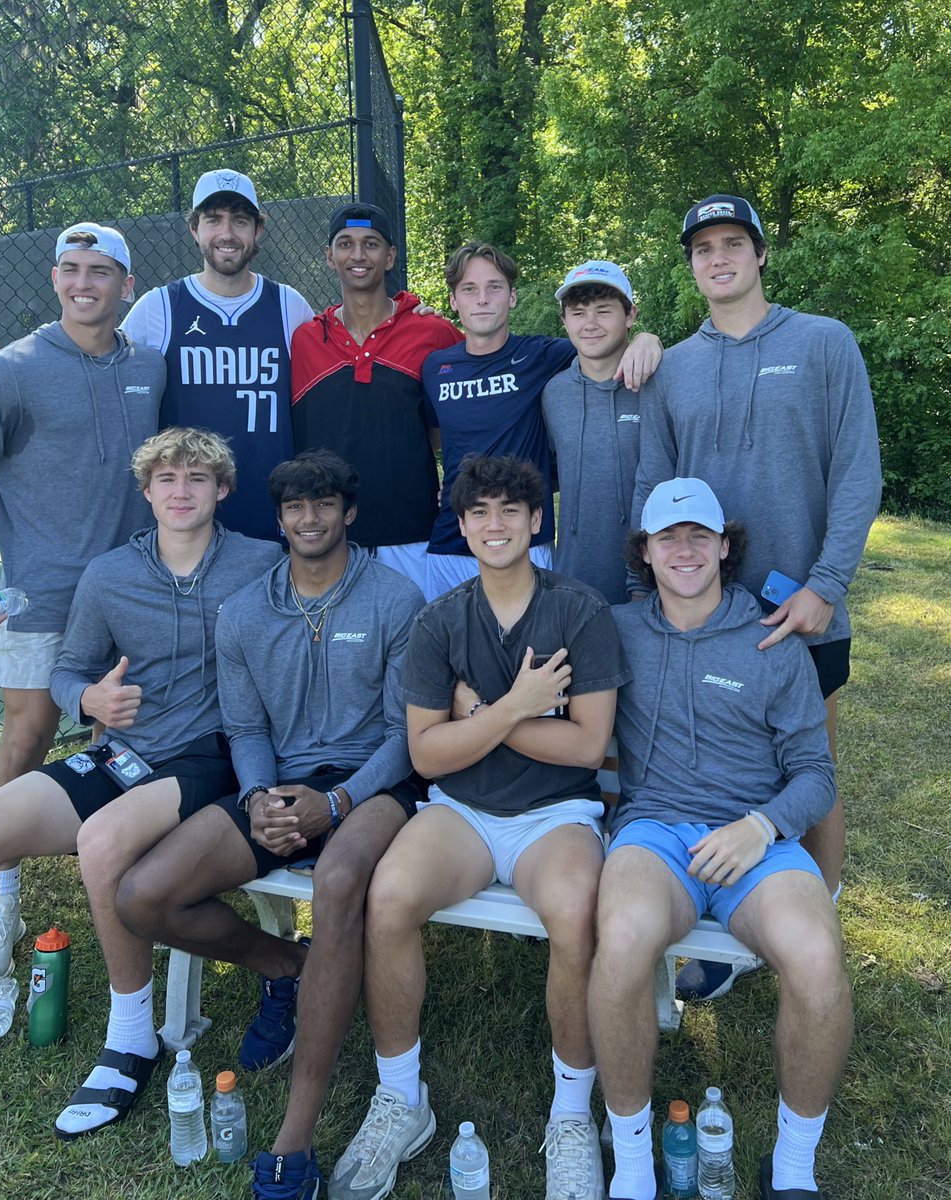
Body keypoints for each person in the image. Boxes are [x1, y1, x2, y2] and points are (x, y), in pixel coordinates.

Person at [0, 429, 280, 1144]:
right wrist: (88, 702)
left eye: (197, 478)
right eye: (166, 478)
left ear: (222, 490)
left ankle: (132, 1036)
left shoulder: (262, 566)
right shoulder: (109, 573)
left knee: (102, 842)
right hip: (124, 752)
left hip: (210, 757)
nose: (180, 490)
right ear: (144, 492)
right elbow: (69, 668)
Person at [113, 449, 426, 1200]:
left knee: (341, 878)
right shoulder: (246, 611)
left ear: (348, 513)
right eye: (294, 507)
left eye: (324, 504)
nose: (309, 519)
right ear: (278, 517)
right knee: (144, 896)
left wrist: (341, 801)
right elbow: (244, 727)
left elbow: (405, 735)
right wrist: (258, 798)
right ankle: (288, 969)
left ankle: (296, 1136)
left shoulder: (395, 599)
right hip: (279, 788)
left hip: (375, 789)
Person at [331, 454, 629, 1200]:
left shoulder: (579, 610)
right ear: (460, 527)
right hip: (460, 810)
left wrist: (481, 717)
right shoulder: (441, 620)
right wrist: (518, 706)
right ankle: (402, 1098)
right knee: (389, 898)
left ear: (535, 520)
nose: (493, 525)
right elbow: (427, 750)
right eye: (478, 513)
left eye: (508, 511)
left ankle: (568, 1113)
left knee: (574, 913)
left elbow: (587, 745)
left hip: (555, 814)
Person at [633, 193, 882, 1000]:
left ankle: (813, 918)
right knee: (702, 767)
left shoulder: (822, 342)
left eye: (732, 242)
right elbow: (653, 483)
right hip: (693, 611)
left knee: (811, 770)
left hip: (798, 611)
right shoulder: (672, 363)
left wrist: (825, 585)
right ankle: (715, 933)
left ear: (761, 252)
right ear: (690, 265)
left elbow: (856, 473)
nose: (717, 258)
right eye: (701, 248)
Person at [589, 478, 851, 1200]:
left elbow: (814, 776)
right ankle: (635, 1161)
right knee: (623, 938)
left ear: (724, 545)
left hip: (757, 840)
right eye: (666, 537)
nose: (683, 549)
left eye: (698, 535)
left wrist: (760, 825)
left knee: (815, 953)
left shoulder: (770, 640)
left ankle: (793, 1168)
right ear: (642, 552)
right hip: (654, 832)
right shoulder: (614, 629)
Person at [0, 222, 165, 982]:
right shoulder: (14, 370)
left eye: (99, 270)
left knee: (124, 743)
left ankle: (132, 889)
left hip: (132, 593)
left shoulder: (152, 367)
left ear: (125, 285)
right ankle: (0, 895)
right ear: (55, 278)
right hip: (40, 598)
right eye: (70, 269)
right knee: (29, 733)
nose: (83, 283)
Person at [421, 241, 662, 599]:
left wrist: (647, 339)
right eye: (469, 290)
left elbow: (603, 343)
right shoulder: (435, 368)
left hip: (525, 541)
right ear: (454, 301)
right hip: (449, 543)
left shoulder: (543, 356)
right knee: (453, 650)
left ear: (513, 297)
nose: (482, 299)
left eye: (494, 288)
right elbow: (436, 438)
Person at [121, 169, 314, 540]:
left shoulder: (288, 305)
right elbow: (96, 361)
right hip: (187, 520)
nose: (227, 234)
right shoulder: (159, 307)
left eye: (240, 221)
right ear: (194, 229)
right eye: (213, 220)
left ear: (257, 230)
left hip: (272, 518)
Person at [290, 202, 463, 596]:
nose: (358, 255)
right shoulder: (304, 339)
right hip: (327, 536)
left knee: (416, 648)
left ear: (390, 256)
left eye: (371, 244)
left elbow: (460, 418)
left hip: (412, 533)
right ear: (329, 256)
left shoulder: (432, 331)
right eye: (345, 244)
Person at [541, 260, 646, 605]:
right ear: (564, 321)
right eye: (578, 312)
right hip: (574, 578)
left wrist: (650, 342)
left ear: (630, 315)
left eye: (603, 311)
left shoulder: (657, 383)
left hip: (654, 580)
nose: (590, 324)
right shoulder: (553, 394)